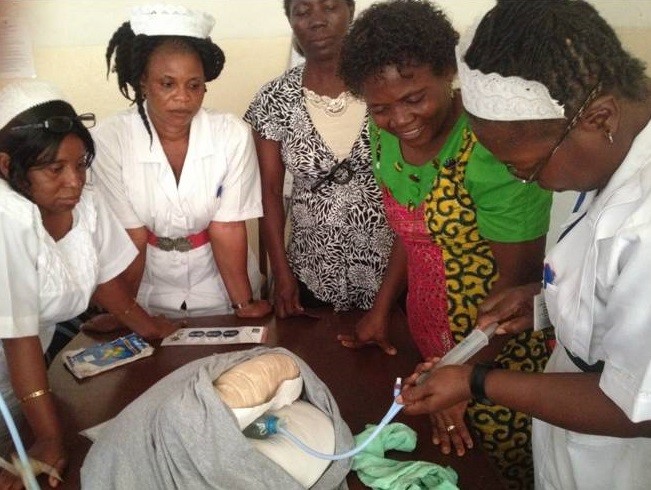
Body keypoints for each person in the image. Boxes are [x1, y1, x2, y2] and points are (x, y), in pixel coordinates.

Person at [399, 1, 651, 489]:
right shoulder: (611, 153)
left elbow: (637, 406)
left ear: (598, 117)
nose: (531, 184)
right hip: (573, 434)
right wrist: (542, 303)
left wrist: (475, 382)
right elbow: (608, 290)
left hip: (620, 461)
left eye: (528, 168)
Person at [337, 1, 553, 488]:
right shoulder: (382, 132)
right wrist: (382, 306)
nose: (400, 119)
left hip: (495, 357)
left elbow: (517, 292)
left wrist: (462, 378)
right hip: (431, 341)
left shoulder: (491, 149)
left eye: (415, 98)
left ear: (449, 73)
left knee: (496, 468)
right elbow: (410, 231)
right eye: (382, 107)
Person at [0, 80, 177, 488]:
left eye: (80, 165)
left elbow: (103, 280)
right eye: (54, 169)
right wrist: (48, 437)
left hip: (26, 373)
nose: (74, 181)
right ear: (9, 167)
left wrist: (152, 328)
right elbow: (18, 338)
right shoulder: (9, 219)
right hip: (15, 360)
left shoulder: (84, 202)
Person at [92, 4, 271, 319]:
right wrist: (125, 314)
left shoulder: (232, 134)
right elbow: (130, 234)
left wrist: (243, 305)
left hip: (219, 287)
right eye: (167, 83)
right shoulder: (110, 139)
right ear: (144, 82)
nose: (183, 97)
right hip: (146, 291)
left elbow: (227, 227)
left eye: (194, 85)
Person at [244, 0, 394, 317]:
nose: (317, 21)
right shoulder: (274, 98)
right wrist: (282, 274)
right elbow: (269, 193)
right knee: (318, 359)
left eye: (329, 7)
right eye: (302, 12)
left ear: (351, 11)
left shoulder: (385, 84)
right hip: (311, 270)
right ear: (290, 20)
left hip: (390, 265)